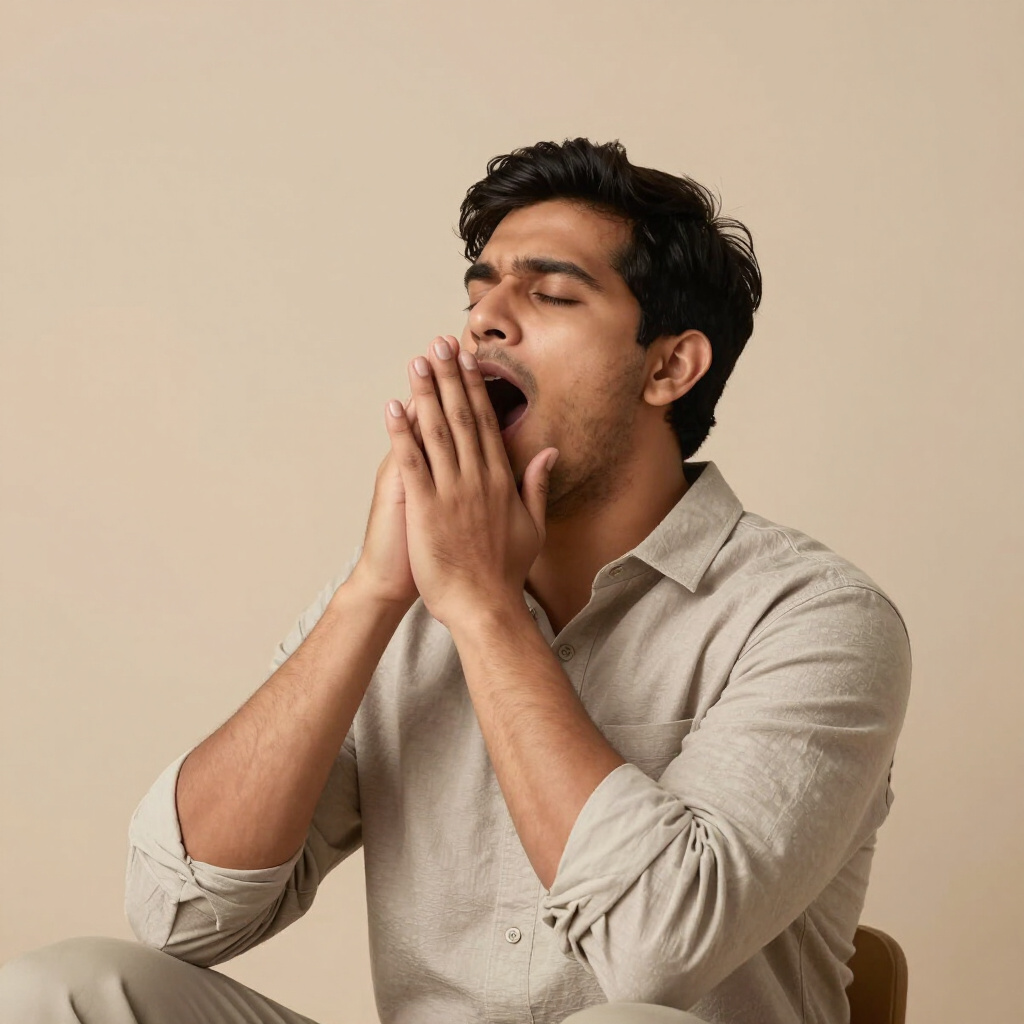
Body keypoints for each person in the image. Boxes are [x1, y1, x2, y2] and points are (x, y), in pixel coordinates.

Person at [0, 138, 912, 1024]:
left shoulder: (815, 618)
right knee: (64, 990)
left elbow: (654, 952)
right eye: (480, 293)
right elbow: (180, 915)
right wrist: (372, 593)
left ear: (670, 366)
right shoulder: (405, 595)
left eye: (550, 293)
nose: (484, 320)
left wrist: (483, 611)